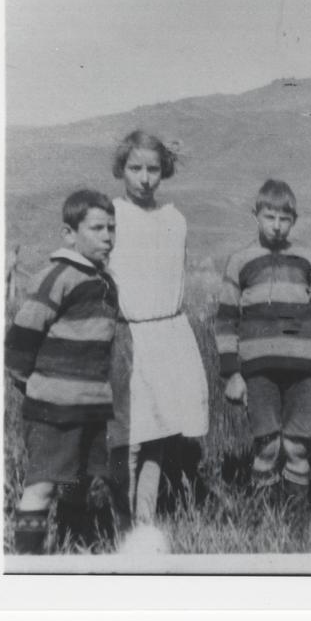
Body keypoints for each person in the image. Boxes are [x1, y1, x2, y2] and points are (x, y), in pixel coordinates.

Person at [5, 189, 126, 553]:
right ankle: (27, 560)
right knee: (41, 484)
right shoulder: (56, 276)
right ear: (69, 234)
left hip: (91, 406)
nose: (107, 236)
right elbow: (21, 340)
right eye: (97, 227)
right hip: (52, 409)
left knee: (81, 481)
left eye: (112, 228)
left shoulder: (106, 282)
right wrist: (36, 387)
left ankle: (74, 550)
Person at [106, 130, 209, 528]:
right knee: (128, 433)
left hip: (169, 335)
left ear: (164, 170)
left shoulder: (174, 219)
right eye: (135, 168)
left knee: (159, 432)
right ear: (122, 170)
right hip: (129, 336)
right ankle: (121, 519)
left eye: (153, 169)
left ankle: (145, 517)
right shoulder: (111, 216)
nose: (145, 178)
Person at [215, 179, 311, 502]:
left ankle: (296, 520)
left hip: (302, 369)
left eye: (285, 219)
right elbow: (225, 321)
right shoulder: (241, 261)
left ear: (294, 220)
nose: (277, 226)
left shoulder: (310, 259)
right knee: (266, 445)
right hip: (258, 372)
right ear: (256, 215)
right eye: (270, 217)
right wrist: (232, 373)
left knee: (298, 446)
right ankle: (264, 516)